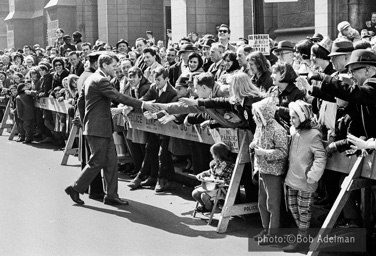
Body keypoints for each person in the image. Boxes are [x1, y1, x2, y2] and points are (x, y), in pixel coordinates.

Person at [64, 52, 159, 205]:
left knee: (111, 162)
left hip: (98, 127)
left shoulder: (91, 79)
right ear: (104, 65)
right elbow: (118, 97)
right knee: (97, 161)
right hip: (98, 129)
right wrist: (143, 104)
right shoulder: (101, 80)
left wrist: (85, 121)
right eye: (114, 66)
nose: (116, 69)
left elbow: (80, 102)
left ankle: (111, 195)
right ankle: (75, 188)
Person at [283, 100, 327, 253]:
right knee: (293, 209)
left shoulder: (314, 134)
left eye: (294, 117)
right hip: (291, 179)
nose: (291, 120)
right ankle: (304, 236)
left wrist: (313, 175)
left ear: (302, 117)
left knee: (303, 211)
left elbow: (320, 157)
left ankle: (301, 240)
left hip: (306, 181)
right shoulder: (293, 131)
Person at [250, 97, 289, 242]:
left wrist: (264, 153)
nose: (254, 117)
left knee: (272, 204)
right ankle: (266, 229)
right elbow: (257, 139)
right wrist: (254, 144)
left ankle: (273, 234)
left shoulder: (278, 130)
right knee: (261, 203)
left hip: (273, 172)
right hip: (261, 169)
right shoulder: (260, 126)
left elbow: (283, 152)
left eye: (256, 114)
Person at [192, 142, 235, 212]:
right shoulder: (214, 164)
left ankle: (208, 208)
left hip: (220, 187)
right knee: (195, 194)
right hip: (210, 185)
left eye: (213, 154)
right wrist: (202, 174)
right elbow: (210, 172)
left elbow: (229, 179)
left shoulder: (230, 165)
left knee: (204, 196)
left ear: (218, 155)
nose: (212, 156)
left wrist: (218, 181)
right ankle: (205, 205)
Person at [267, 63, 305, 131]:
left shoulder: (297, 93)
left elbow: (299, 114)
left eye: (275, 73)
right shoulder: (272, 90)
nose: (271, 76)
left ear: (283, 75)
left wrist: (278, 109)